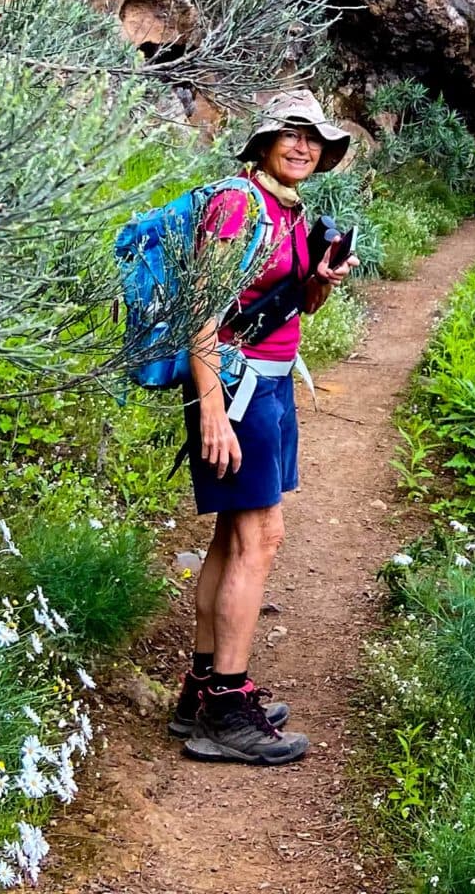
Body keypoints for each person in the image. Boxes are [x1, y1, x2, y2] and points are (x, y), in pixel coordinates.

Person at [168, 89, 357, 764]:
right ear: (264, 141)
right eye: (291, 134)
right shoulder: (237, 203)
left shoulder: (287, 209)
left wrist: (323, 280)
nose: (303, 146)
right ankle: (227, 705)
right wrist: (213, 409)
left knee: (233, 535)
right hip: (236, 390)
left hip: (267, 386)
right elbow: (201, 308)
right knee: (260, 537)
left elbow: (285, 310)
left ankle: (200, 689)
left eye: (315, 138)